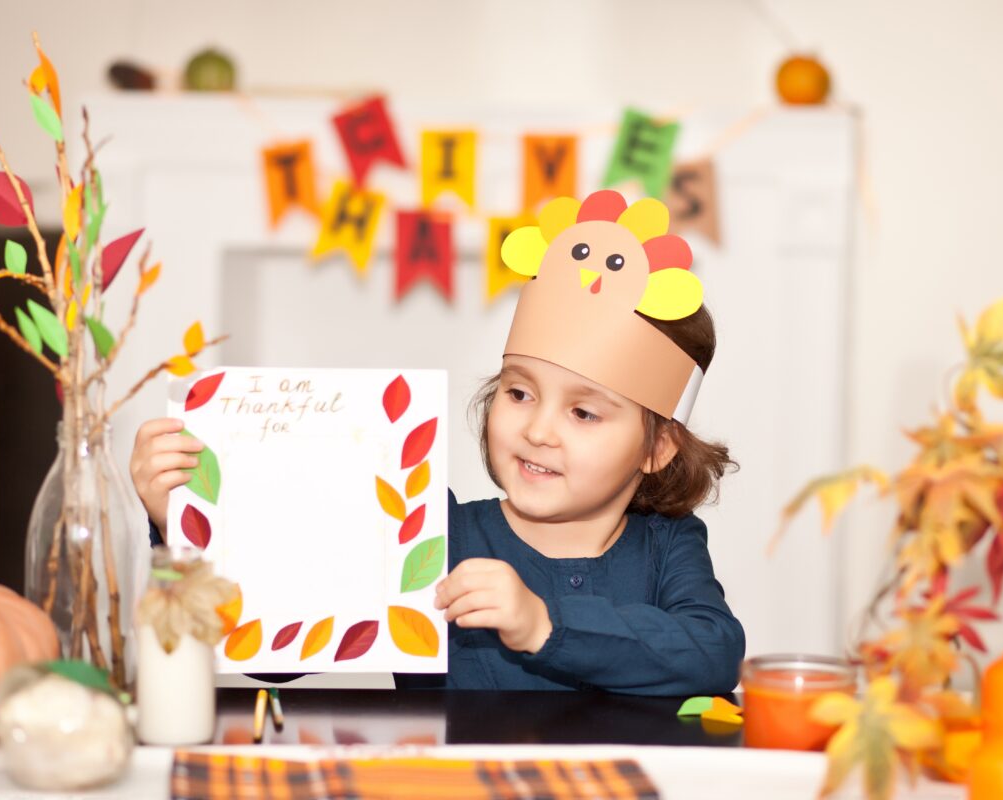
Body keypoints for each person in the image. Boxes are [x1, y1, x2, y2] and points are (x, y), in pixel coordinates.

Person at [131, 190, 745, 695]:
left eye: (583, 412)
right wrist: (183, 527)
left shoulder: (669, 546)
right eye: (519, 393)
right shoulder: (429, 527)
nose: (536, 429)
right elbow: (271, 653)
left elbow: (713, 656)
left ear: (657, 448)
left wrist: (543, 623)